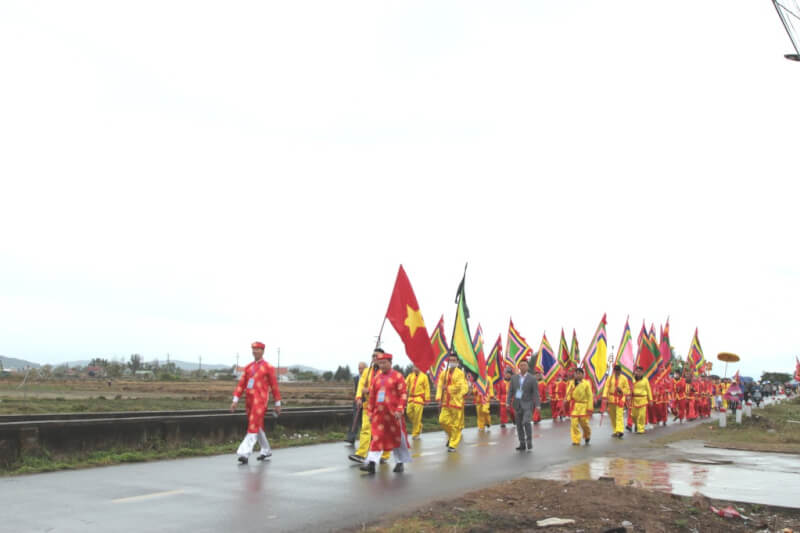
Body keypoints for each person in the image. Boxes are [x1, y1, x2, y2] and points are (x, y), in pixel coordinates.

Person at [360, 352, 411, 474]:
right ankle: (371, 464)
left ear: (390, 363)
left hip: (394, 415)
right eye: (380, 363)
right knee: (376, 438)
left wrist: (399, 409)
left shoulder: (398, 376)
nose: (382, 365)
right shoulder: (376, 378)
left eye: (384, 363)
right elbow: (372, 396)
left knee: (397, 439)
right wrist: (370, 412)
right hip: (379, 415)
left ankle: (400, 462)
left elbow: (403, 394)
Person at [230, 341, 281, 464]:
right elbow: (241, 385)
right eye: (253, 349)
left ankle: (244, 453)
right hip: (249, 400)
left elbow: (274, 386)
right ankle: (266, 450)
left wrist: (277, 403)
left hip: (261, 400)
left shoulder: (268, 367)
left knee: (253, 425)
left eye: (257, 349)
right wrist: (235, 400)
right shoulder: (248, 367)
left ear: (262, 351)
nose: (254, 351)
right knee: (257, 426)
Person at [349, 350, 391, 464]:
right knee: (365, 429)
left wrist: (370, 390)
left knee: (382, 432)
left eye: (376, 355)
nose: (374, 357)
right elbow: (361, 385)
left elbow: (384, 388)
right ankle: (361, 454)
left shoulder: (385, 372)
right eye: (373, 355)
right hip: (368, 405)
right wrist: (358, 397)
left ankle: (385, 454)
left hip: (382, 406)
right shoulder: (367, 372)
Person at [436, 352, 469, 452]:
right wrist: (438, 397)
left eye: (454, 360)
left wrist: (448, 388)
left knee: (456, 425)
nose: (452, 362)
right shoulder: (443, 373)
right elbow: (440, 385)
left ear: (458, 362)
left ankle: (453, 444)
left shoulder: (460, 373)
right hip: (446, 401)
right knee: (442, 420)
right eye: (450, 360)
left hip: (456, 401)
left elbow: (460, 386)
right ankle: (452, 437)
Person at [506, 358, 540, 451]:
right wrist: (508, 402)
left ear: (528, 367)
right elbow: (510, 392)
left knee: (526, 422)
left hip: (528, 404)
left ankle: (529, 441)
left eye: (525, 365)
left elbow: (535, 393)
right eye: (521, 365)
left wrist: (537, 405)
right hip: (517, 404)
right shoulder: (514, 378)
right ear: (519, 367)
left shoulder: (532, 378)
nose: (523, 367)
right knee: (519, 425)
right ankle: (522, 443)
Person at [602, 364, 630, 438]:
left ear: (620, 371)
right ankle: (615, 430)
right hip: (611, 399)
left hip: (620, 398)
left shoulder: (624, 378)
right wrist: (604, 395)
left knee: (619, 415)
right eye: (616, 370)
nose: (617, 372)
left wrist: (621, 390)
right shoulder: (610, 378)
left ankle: (620, 430)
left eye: (618, 371)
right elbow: (606, 387)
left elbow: (627, 389)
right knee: (613, 416)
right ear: (614, 371)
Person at [345, 361, 368, 445]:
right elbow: (356, 391)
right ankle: (351, 438)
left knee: (365, 422)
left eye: (361, 368)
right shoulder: (356, 378)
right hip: (357, 401)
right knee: (354, 419)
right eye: (359, 368)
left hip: (367, 402)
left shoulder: (369, 378)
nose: (360, 370)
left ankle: (367, 439)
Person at [405, 365, 430, 439]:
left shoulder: (424, 376)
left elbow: (427, 388)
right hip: (411, 398)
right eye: (414, 367)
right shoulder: (410, 376)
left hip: (419, 398)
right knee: (408, 413)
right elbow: (405, 384)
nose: (415, 369)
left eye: (417, 367)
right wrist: (403, 390)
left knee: (417, 416)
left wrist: (427, 398)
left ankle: (416, 433)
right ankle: (419, 425)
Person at [569, 367, 592, 445]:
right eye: (576, 373)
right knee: (574, 424)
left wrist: (590, 407)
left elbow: (590, 396)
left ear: (583, 374)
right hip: (575, 406)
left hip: (584, 406)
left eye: (579, 373)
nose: (577, 375)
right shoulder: (572, 383)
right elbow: (568, 393)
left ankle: (587, 435)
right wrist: (567, 399)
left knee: (584, 423)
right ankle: (576, 439)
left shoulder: (586, 383)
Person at [631, 366, 653, 434]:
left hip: (643, 399)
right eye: (637, 371)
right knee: (633, 415)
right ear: (635, 372)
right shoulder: (632, 380)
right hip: (634, 400)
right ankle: (636, 424)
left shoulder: (645, 380)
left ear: (642, 373)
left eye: (640, 371)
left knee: (641, 415)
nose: (638, 373)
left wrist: (650, 400)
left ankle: (640, 429)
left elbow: (648, 390)